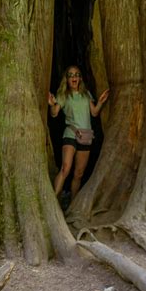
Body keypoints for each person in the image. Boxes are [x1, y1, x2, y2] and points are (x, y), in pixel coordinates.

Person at [48, 66, 109, 201]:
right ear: (67, 79)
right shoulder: (63, 95)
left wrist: (100, 102)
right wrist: (52, 104)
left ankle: (73, 206)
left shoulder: (86, 94)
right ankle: (53, 201)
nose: (74, 77)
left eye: (76, 75)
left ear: (80, 78)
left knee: (79, 174)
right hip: (70, 134)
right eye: (70, 75)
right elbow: (54, 113)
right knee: (65, 168)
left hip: (85, 136)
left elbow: (94, 112)